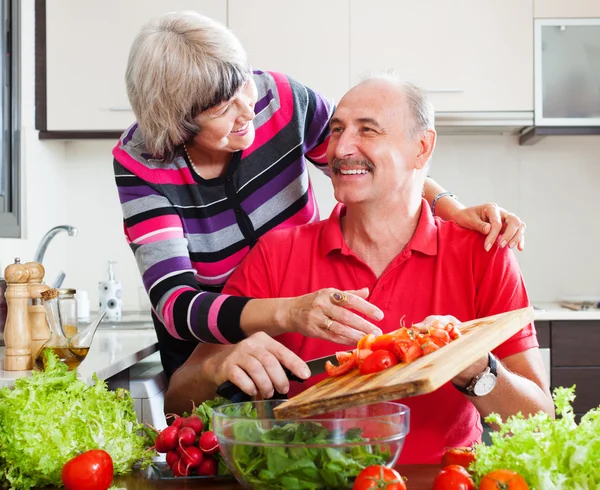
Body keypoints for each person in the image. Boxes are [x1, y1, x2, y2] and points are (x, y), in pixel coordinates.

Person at [113, 10, 527, 380]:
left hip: (303, 314)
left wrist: (451, 210)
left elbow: (368, 159)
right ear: (176, 121)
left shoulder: (281, 100)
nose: (246, 109)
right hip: (211, 337)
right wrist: (288, 311)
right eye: (219, 108)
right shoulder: (142, 161)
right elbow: (175, 305)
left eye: (242, 83)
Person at [163, 76, 553, 464]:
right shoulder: (277, 254)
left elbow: (540, 425)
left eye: (367, 130)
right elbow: (177, 399)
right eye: (336, 130)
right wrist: (217, 368)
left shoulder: (482, 254)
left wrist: (475, 368)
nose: (341, 147)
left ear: (422, 148)